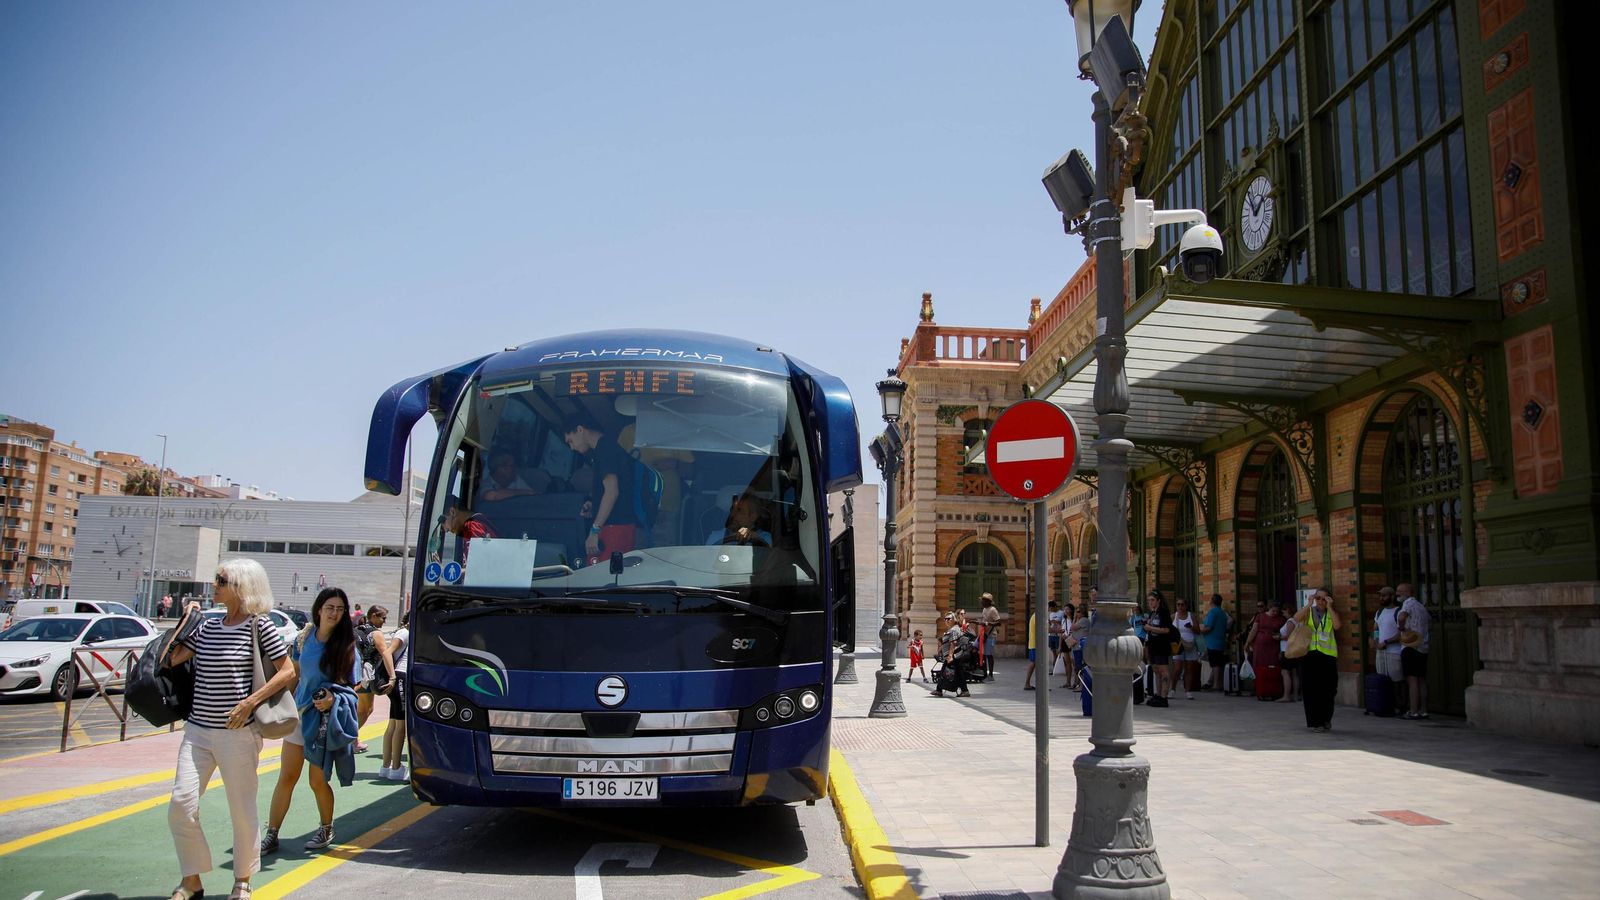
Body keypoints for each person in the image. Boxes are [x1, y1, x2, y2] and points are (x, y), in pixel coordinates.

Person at [163, 558, 295, 900]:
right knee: (181, 803)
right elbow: (170, 657)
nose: (215, 584)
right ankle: (192, 879)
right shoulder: (206, 626)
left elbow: (287, 672)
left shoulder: (259, 626)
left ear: (241, 585)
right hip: (197, 730)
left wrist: (249, 702)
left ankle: (243, 879)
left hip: (238, 733)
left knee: (241, 807)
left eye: (221, 579)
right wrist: (185, 620)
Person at [260, 587, 362, 858]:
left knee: (317, 781)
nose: (335, 613)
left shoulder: (347, 645)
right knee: (287, 777)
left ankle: (326, 828)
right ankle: (271, 833)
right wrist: (276, 702)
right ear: (319, 609)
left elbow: (354, 687)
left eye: (340, 609)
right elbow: (293, 673)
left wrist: (332, 699)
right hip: (299, 714)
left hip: (323, 721)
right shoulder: (303, 638)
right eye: (330, 607)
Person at [562, 415, 640, 565]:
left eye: (570, 441)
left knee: (603, 576)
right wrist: (594, 504)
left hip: (615, 528)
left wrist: (594, 531)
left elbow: (612, 492)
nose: (572, 447)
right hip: (619, 526)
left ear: (580, 429)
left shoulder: (605, 450)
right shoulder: (605, 449)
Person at [1294, 588, 1341, 732]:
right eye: (1318, 598)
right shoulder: (1309, 611)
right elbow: (1296, 618)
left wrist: (1330, 607)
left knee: (1328, 690)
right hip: (1310, 655)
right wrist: (1308, 604)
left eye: (1324, 599)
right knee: (1311, 690)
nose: (1320, 601)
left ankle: (1326, 719)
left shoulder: (1330, 613)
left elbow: (1337, 626)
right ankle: (1316, 722)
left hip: (1327, 656)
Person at [353, 605, 396, 754]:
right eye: (383, 618)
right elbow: (385, 654)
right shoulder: (376, 633)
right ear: (374, 616)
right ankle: (348, 739)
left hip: (353, 675)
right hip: (366, 675)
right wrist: (392, 676)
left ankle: (353, 740)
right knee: (366, 710)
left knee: (357, 709)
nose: (384, 621)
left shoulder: (357, 630)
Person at [380, 612, 410, 781]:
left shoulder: (401, 632)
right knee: (401, 725)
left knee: (393, 723)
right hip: (400, 677)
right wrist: (392, 677)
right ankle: (396, 767)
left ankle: (386, 765)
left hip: (397, 678)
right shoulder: (405, 633)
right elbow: (387, 653)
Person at [1396, 582, 1431, 720]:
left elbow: (1402, 616)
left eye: (1401, 591)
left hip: (1410, 645)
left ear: (1409, 593)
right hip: (1423, 646)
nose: (1398, 593)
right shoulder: (1421, 606)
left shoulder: (1408, 603)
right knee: (1421, 679)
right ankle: (1424, 710)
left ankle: (1413, 711)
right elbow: (1430, 622)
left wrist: (1402, 628)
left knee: (1412, 679)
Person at [1372, 586, 1406, 712]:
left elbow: (1401, 633)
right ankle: (1386, 704)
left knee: (1397, 680)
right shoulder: (1379, 612)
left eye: (1384, 595)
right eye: (1380, 596)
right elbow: (1376, 629)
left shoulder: (1399, 611)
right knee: (1383, 680)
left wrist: (1386, 641)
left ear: (1392, 596)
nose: (1381, 598)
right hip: (1381, 652)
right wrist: (1375, 640)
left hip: (1394, 651)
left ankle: (1401, 705)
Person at [1245, 599, 1287, 701]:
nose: (1275, 613)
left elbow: (1284, 632)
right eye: (1273, 611)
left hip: (1274, 645)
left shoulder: (1281, 619)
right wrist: (1247, 642)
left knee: (1273, 666)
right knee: (1259, 665)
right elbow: (1254, 630)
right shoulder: (1260, 616)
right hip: (1260, 645)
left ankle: (1272, 689)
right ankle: (1258, 688)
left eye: (1277, 611)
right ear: (1269, 608)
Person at [443, 495, 498, 566]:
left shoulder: (471, 527)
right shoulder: (476, 524)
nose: (445, 529)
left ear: (452, 512)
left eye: (443, 523)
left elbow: (477, 566)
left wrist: (448, 573)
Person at [1142, 591, 1174, 706]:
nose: (1150, 603)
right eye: (1149, 600)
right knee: (1156, 671)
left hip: (1162, 645)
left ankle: (1164, 696)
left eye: (1153, 600)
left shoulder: (1163, 613)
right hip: (1152, 645)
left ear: (1158, 601)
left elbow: (1166, 630)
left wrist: (1150, 628)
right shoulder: (1152, 614)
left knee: (1164, 671)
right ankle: (1158, 694)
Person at [706, 492, 772, 546]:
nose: (733, 514)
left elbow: (768, 558)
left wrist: (754, 537)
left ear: (753, 516)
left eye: (739, 510)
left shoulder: (765, 537)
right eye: (732, 509)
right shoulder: (716, 536)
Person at [934, 612, 973, 698]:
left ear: (954, 620)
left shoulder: (954, 630)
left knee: (945, 671)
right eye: (945, 619)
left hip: (954, 656)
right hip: (954, 656)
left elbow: (953, 643)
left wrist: (950, 656)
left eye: (949, 619)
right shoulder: (952, 629)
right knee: (958, 673)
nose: (946, 621)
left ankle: (939, 690)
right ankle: (964, 690)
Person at [1198, 593, 1231, 692]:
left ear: (1211, 601)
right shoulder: (1222, 613)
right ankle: (1214, 682)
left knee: (1215, 664)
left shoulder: (1213, 612)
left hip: (1212, 641)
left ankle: (1216, 685)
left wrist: (1199, 631)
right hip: (1220, 640)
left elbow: (1209, 627)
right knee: (1218, 663)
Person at [479, 451, 544, 502]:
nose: (514, 469)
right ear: (500, 469)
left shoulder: (516, 479)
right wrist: (524, 493)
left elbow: (533, 496)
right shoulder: (485, 484)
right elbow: (490, 496)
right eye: (511, 466)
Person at [1171, 599, 1199, 700]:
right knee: (1177, 668)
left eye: (1182, 604)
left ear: (1186, 606)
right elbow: (1168, 629)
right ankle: (1172, 689)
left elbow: (1198, 631)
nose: (1180, 607)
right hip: (1178, 645)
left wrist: (1191, 627)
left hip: (1190, 645)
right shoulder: (1174, 616)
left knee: (1189, 668)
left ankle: (1188, 691)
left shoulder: (1191, 616)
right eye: (1178, 604)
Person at [979, 594, 1001, 682]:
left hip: (991, 635)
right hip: (984, 634)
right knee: (983, 654)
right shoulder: (984, 609)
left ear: (988, 601)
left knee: (989, 655)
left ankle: (991, 675)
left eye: (983, 600)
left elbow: (998, 622)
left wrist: (987, 624)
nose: (981, 602)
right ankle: (984, 673)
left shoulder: (993, 610)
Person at [1047, 600, 1067, 681]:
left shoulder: (1061, 613)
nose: (1050, 609)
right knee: (1054, 652)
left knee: (1060, 652)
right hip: (1051, 635)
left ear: (1055, 607)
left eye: (1051, 608)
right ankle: (1054, 668)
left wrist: (1057, 622)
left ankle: (1063, 668)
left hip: (1059, 635)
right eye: (1049, 608)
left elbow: (1063, 623)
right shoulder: (1051, 614)